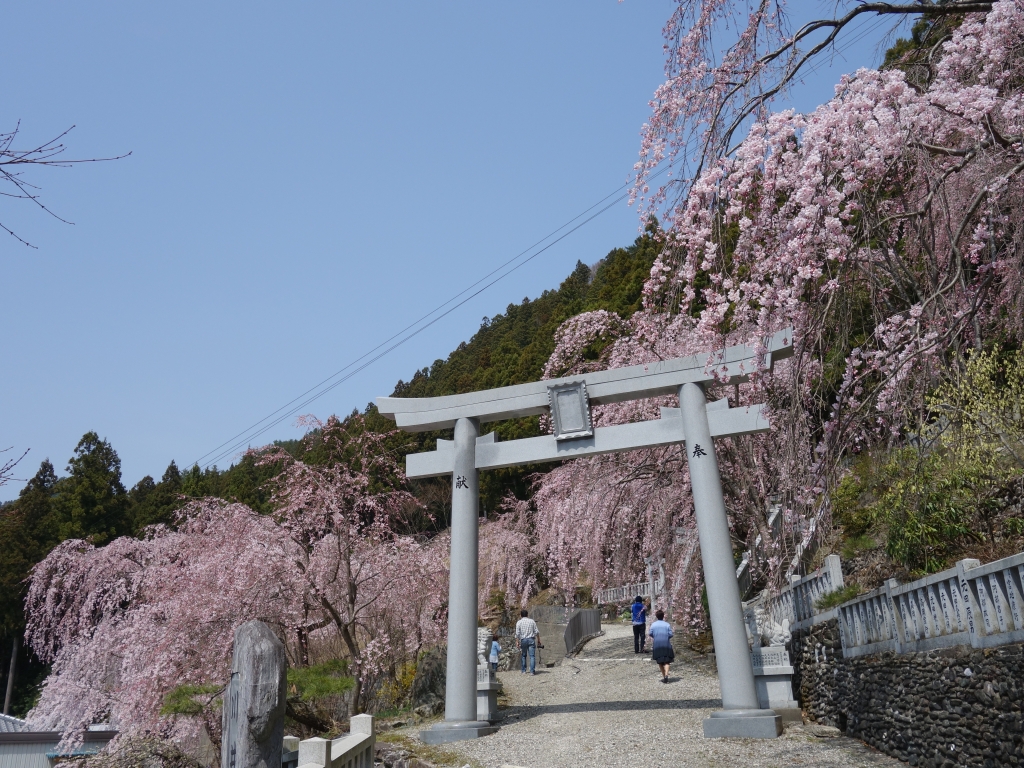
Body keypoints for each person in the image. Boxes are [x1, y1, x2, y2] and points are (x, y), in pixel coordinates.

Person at [649, 609, 674, 683]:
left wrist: (656, 636)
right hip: (666, 644)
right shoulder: (667, 624)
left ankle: (664, 677)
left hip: (657, 644)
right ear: (663, 616)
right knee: (667, 661)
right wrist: (666, 637)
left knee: (660, 661)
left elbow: (650, 633)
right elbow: (671, 634)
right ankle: (666, 675)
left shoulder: (653, 624)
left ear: (656, 616)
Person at [514, 609, 541, 675]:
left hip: (523, 640)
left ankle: (524, 670)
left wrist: (517, 642)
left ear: (521, 615)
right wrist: (539, 640)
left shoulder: (519, 622)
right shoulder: (532, 621)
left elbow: (517, 633)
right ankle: (532, 671)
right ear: (527, 615)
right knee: (532, 656)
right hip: (531, 639)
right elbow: (536, 632)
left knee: (523, 655)